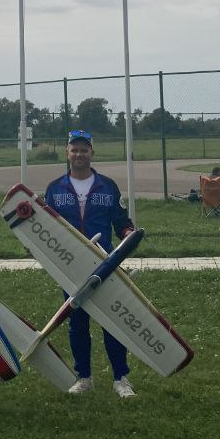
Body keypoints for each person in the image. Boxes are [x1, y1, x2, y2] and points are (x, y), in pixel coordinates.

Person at [45, 129, 138, 399]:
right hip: (70, 268)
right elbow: (47, 227)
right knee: (78, 325)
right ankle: (84, 377)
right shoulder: (55, 189)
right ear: (67, 153)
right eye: (74, 149)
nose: (79, 154)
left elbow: (121, 221)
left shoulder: (107, 186)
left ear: (91, 153)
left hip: (105, 266)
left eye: (84, 150)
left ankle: (121, 378)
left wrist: (128, 233)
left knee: (113, 323)